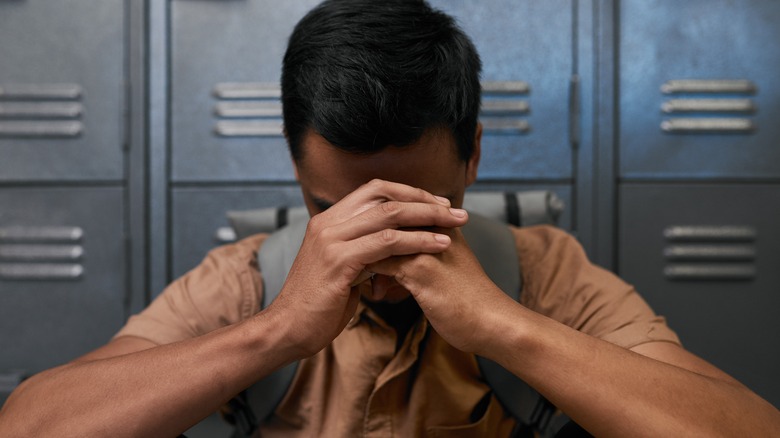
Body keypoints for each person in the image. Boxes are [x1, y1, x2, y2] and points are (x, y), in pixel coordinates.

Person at [1, 0, 779, 436]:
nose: (372, 253)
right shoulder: (244, 282)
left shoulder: (547, 273)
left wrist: (503, 326)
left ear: (472, 156)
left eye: (412, 211)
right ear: (293, 162)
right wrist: (276, 332)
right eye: (331, 209)